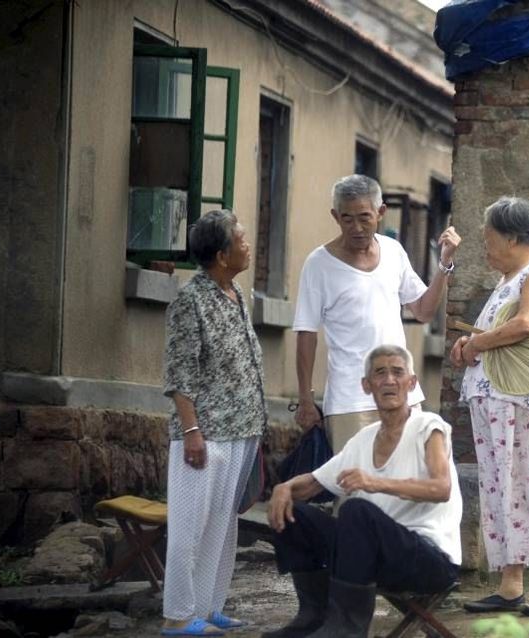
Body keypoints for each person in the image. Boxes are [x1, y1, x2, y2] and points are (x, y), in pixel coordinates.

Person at [263, 344, 462, 638]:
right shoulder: (363, 440)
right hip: (374, 556)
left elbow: (441, 488)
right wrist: (285, 488)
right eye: (380, 373)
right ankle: (314, 616)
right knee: (297, 514)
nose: (390, 380)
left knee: (355, 512)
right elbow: (315, 482)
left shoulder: (428, 427)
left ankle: (347, 627)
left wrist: (375, 482)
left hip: (429, 559)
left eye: (398, 372)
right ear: (367, 386)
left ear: (412, 383)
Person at [450, 197, 529, 617]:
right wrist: (471, 345)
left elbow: (524, 325)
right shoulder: (508, 280)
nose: (486, 248)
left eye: (490, 239)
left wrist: (477, 342)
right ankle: (510, 584)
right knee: (502, 488)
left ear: (513, 238)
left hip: (527, 404)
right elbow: (498, 331)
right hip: (498, 403)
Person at [293, 174, 461, 452]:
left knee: (408, 481)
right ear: (335, 216)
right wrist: (305, 399)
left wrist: (444, 264)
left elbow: (422, 310)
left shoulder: (394, 252)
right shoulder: (318, 264)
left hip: (402, 394)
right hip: (350, 400)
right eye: (347, 219)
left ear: (381, 213)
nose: (356, 227)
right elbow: (306, 334)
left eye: (364, 217)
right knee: (355, 486)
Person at [161, 210, 267, 635]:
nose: (247, 245)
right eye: (241, 240)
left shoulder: (236, 293)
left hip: (242, 428)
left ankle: (206, 607)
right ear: (222, 255)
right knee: (190, 527)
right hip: (204, 433)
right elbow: (179, 374)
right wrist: (191, 431)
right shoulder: (192, 301)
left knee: (224, 525)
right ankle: (177, 616)